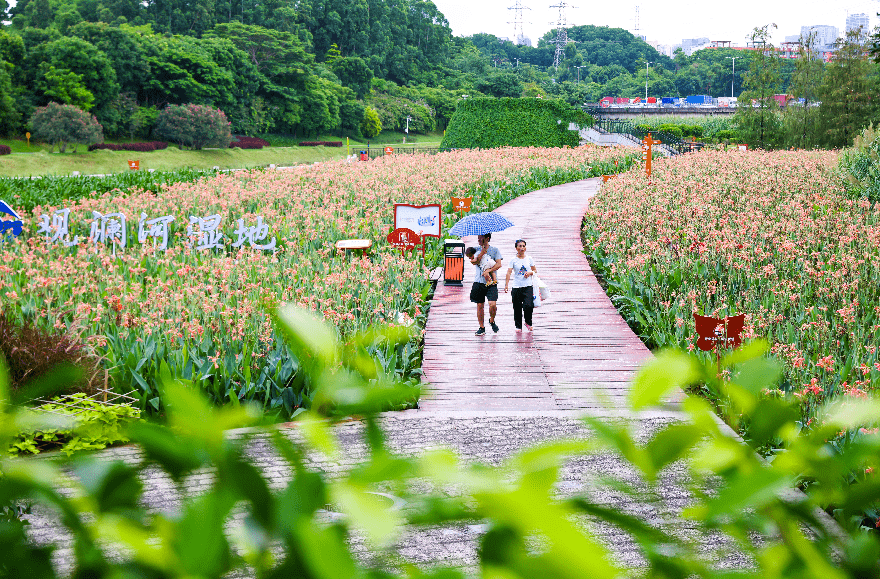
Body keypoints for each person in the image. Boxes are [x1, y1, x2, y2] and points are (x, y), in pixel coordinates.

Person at [468, 233, 503, 335]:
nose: (479, 240)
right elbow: (473, 262)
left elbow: (499, 264)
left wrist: (489, 271)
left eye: (481, 238)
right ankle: (481, 327)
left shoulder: (495, 250)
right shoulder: (475, 249)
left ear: (487, 238)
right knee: (480, 305)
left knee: (492, 304)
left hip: (491, 282)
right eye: (478, 238)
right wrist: (481, 253)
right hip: (479, 281)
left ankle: (492, 320)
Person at [504, 239, 537, 332]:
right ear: (516, 248)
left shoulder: (529, 258)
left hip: (528, 286)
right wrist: (506, 285)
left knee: (528, 305)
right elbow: (509, 272)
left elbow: (535, 270)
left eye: (523, 246)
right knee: (517, 307)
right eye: (520, 246)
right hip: (516, 286)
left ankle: (528, 322)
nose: (522, 248)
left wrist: (530, 272)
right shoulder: (513, 260)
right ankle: (518, 326)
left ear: (525, 248)